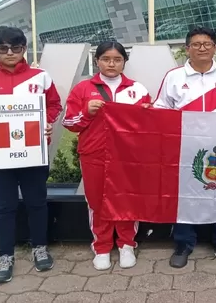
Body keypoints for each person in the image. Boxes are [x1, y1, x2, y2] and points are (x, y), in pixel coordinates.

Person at [0, 26, 63, 284]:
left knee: (37, 202)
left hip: (33, 153)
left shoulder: (40, 76)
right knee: (3, 207)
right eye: (3, 48)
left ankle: (39, 247)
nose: (10, 53)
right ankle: (5, 255)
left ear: (24, 49)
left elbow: (55, 104)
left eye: (16, 48)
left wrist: (48, 121)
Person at [154, 27, 216, 268]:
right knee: (185, 195)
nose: (202, 48)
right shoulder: (174, 76)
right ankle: (183, 243)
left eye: (207, 44)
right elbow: (161, 108)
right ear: (187, 48)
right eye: (196, 44)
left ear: (215, 48)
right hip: (186, 148)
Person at [62, 42, 151, 271]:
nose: (111, 64)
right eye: (106, 59)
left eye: (117, 59)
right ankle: (101, 247)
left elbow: (148, 125)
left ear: (124, 62)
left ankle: (127, 245)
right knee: (97, 201)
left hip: (128, 156)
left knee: (127, 199)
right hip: (94, 154)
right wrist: (86, 112)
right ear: (97, 61)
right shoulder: (83, 89)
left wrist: (147, 113)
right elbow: (69, 123)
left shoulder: (137, 89)